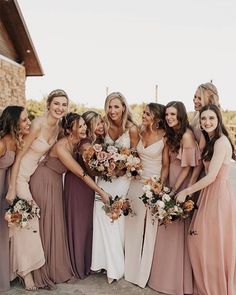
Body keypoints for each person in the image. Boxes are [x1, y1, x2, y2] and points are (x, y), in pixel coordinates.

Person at [29, 112, 110, 289]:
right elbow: (81, 174)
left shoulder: (80, 142)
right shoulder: (61, 147)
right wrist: (101, 192)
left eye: (83, 125)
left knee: (56, 225)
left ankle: (55, 265)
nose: (83, 128)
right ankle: (43, 270)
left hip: (56, 182)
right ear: (68, 130)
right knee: (46, 226)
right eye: (78, 126)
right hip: (43, 181)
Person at [6, 89, 69, 290]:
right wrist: (11, 189)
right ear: (48, 104)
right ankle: (27, 274)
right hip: (19, 178)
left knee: (26, 224)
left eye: (64, 104)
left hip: (30, 177)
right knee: (28, 221)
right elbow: (18, 159)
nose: (60, 108)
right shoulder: (37, 125)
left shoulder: (58, 127)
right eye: (57, 103)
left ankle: (25, 269)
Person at [176, 104, 236, 295]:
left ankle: (216, 289)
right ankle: (206, 286)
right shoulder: (209, 140)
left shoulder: (222, 142)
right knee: (201, 242)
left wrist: (187, 191)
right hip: (209, 193)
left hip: (218, 194)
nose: (207, 122)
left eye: (211, 118)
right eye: (203, 119)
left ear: (218, 120)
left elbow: (211, 177)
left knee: (208, 242)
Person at [148, 101, 200, 295]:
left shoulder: (186, 135)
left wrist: (175, 190)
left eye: (173, 114)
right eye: (167, 114)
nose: (169, 117)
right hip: (170, 183)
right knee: (166, 231)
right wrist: (160, 186)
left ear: (180, 115)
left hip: (182, 184)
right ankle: (163, 277)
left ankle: (178, 282)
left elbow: (188, 167)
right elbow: (166, 165)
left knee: (177, 232)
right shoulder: (170, 135)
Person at [91, 92, 139, 283]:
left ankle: (115, 268)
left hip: (122, 179)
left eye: (116, 107)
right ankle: (103, 263)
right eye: (109, 107)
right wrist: (102, 164)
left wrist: (122, 167)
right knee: (100, 216)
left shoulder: (132, 129)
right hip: (104, 179)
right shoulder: (103, 125)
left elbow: (136, 158)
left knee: (115, 219)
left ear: (124, 108)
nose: (112, 111)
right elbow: (96, 149)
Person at [124, 103, 169, 288]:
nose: (143, 115)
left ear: (157, 118)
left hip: (152, 184)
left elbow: (165, 165)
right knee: (132, 225)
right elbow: (135, 154)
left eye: (147, 113)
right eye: (143, 112)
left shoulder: (164, 137)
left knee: (150, 229)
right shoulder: (140, 131)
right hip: (136, 182)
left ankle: (144, 275)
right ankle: (130, 270)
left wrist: (159, 186)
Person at [64, 111, 105, 279]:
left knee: (86, 225)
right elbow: (90, 167)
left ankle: (86, 263)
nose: (101, 126)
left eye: (102, 122)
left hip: (86, 186)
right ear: (89, 126)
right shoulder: (86, 144)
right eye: (98, 123)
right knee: (79, 225)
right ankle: (78, 266)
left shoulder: (94, 141)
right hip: (78, 186)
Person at [0, 106, 30, 292]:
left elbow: (15, 166)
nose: (29, 123)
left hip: (4, 189)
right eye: (25, 120)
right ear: (14, 123)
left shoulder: (18, 140)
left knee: (2, 233)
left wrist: (12, 190)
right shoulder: (2, 143)